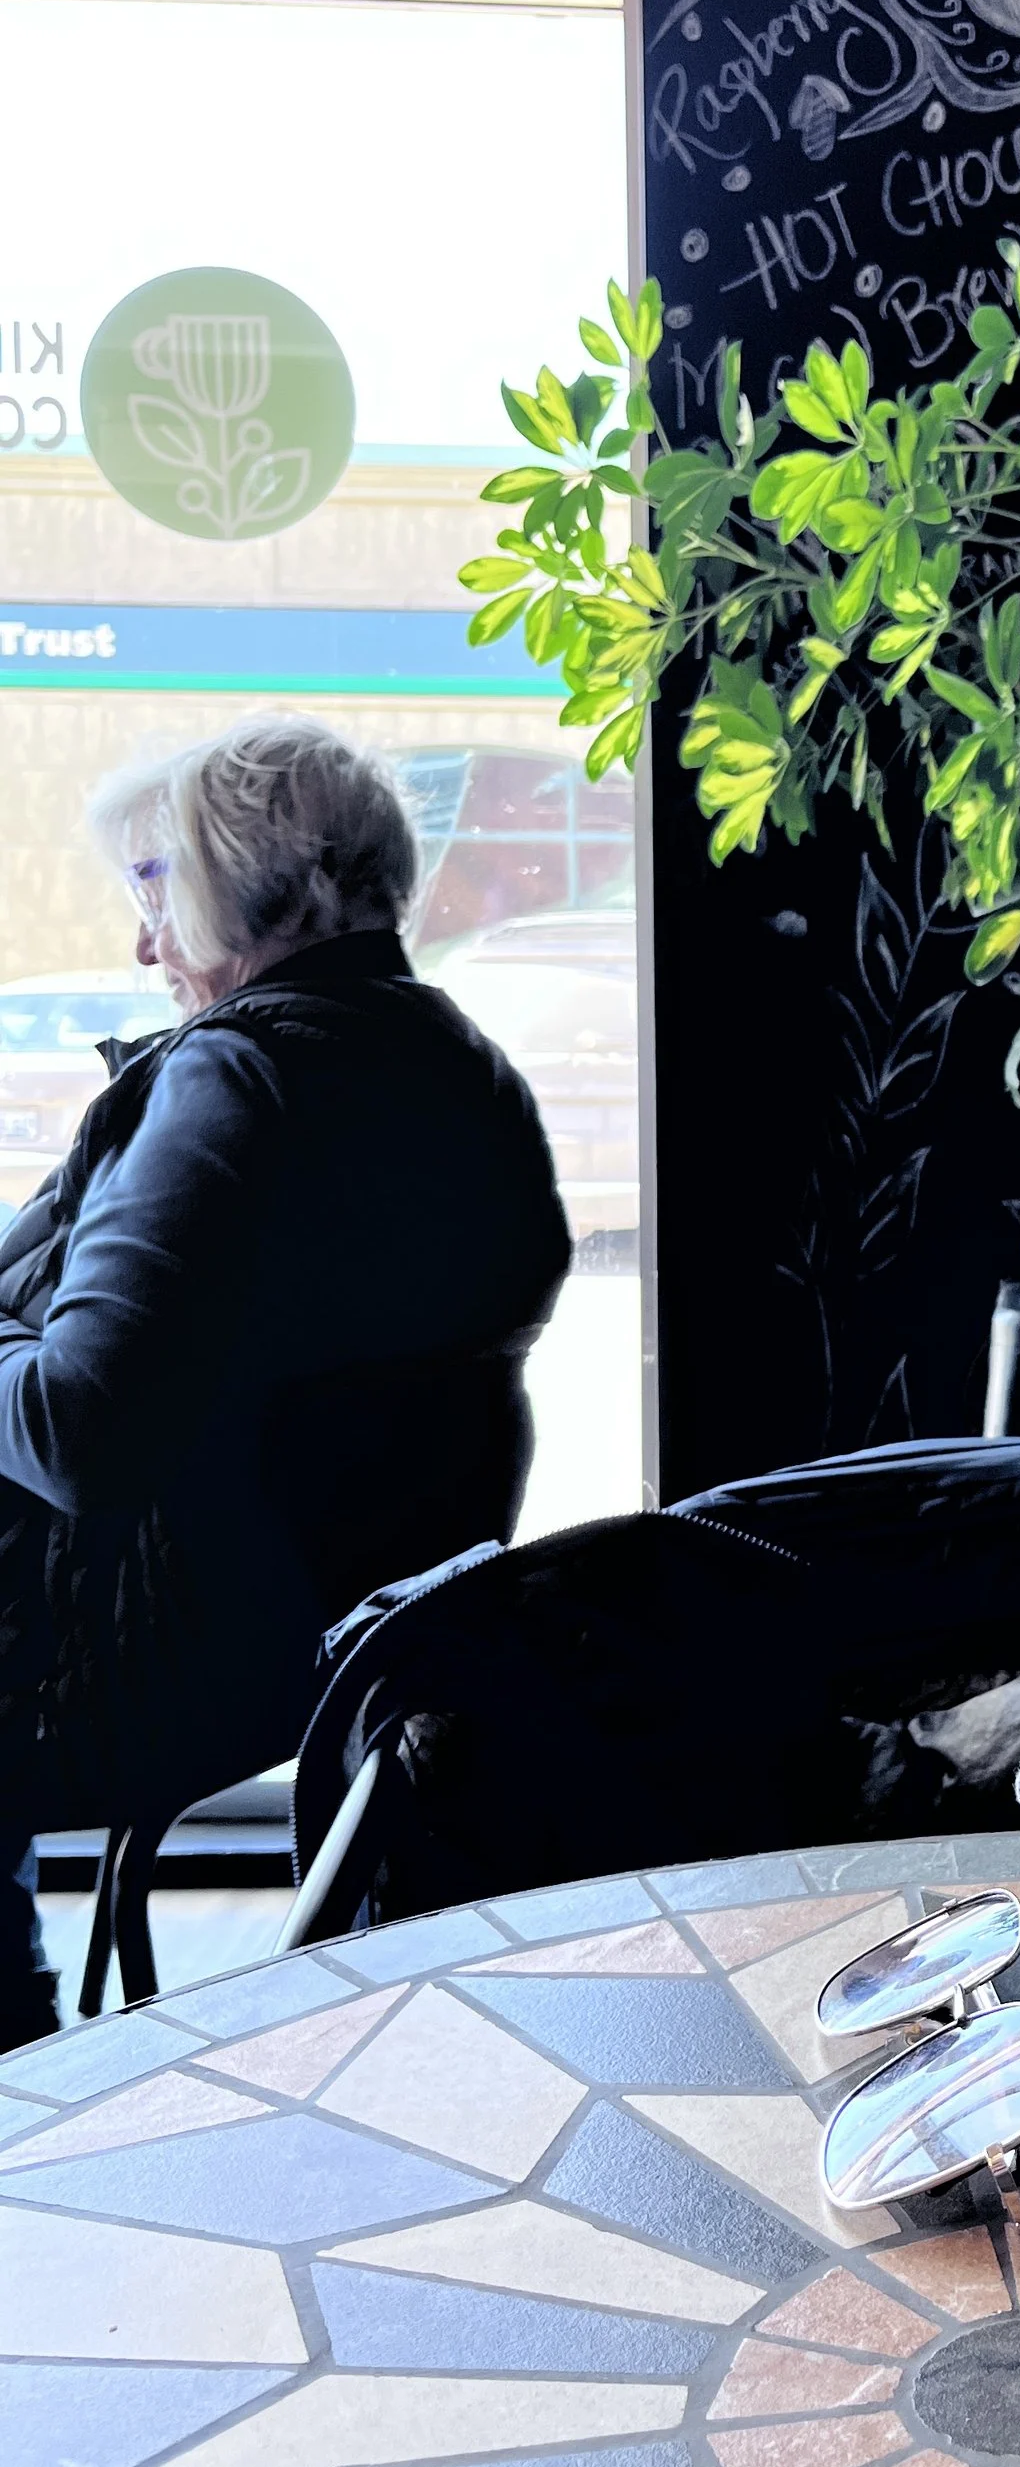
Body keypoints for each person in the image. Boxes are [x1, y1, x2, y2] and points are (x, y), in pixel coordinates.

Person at [0, 715, 573, 2044]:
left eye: (155, 889)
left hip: (158, 1661)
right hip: (335, 1639)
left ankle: (15, 2061)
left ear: (257, 885)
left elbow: (82, 1433)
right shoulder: (456, 1062)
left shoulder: (239, 1075)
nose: (143, 945)